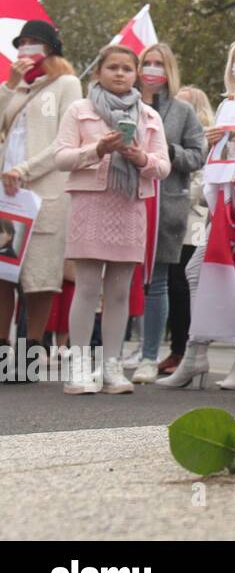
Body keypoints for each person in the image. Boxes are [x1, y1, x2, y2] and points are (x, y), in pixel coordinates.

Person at [159, 38, 235, 389]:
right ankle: (195, 355)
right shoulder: (229, 103)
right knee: (197, 271)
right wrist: (216, 142)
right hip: (224, 204)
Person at [54, 44, 170, 394]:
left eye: (126, 68)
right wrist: (97, 150)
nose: (120, 74)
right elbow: (60, 158)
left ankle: (112, 366)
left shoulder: (149, 116)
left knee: (120, 291)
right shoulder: (80, 109)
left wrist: (139, 158)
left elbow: (163, 166)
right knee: (87, 287)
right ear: (99, 72)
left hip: (130, 205)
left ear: (136, 75)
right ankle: (77, 367)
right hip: (90, 202)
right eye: (112, 67)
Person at [0, 20, 81, 379]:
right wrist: (10, 85)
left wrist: (26, 169)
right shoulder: (16, 88)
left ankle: (32, 355)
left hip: (43, 192)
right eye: (22, 43)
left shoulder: (66, 84)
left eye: (34, 42)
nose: (26, 48)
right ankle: (3, 356)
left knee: (40, 278)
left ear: (50, 48)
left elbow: (65, 140)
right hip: (7, 193)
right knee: (3, 275)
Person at [130, 43, 206, 383]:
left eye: (159, 63)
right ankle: (114, 356)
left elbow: (196, 156)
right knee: (123, 280)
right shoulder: (124, 104)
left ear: (170, 69)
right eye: (147, 62)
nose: (152, 69)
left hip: (166, 205)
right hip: (125, 199)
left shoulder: (183, 112)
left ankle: (149, 356)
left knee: (158, 281)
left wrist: (165, 151)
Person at [157, 84, 212, 375]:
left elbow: (202, 178)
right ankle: (178, 347)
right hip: (175, 216)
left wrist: (179, 195)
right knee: (172, 283)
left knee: (184, 284)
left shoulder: (204, 137)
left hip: (195, 219)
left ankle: (186, 348)